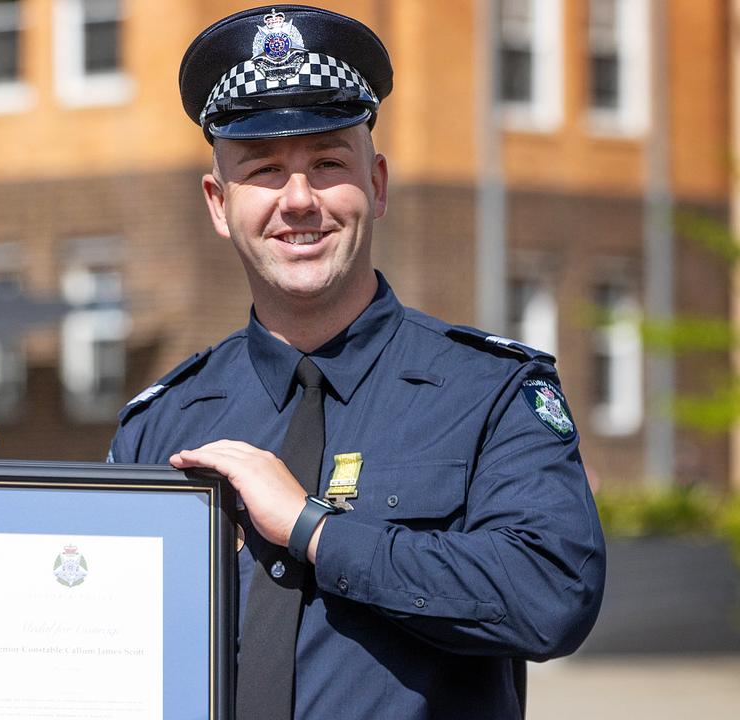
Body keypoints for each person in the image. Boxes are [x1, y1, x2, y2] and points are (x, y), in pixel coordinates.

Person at [108, 6, 604, 718]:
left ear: (377, 184)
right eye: (266, 170)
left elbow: (552, 596)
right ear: (220, 204)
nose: (300, 200)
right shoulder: (162, 426)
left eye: (328, 163)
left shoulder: (489, 394)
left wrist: (313, 531)